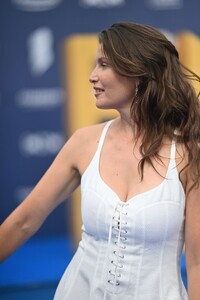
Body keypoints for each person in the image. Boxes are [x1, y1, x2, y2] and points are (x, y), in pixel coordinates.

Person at [0, 22, 200, 300]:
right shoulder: (84, 143)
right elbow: (23, 222)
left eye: (104, 65)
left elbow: (197, 263)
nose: (92, 76)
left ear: (137, 73)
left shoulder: (189, 156)